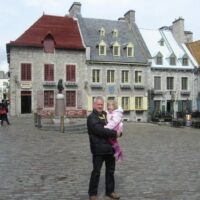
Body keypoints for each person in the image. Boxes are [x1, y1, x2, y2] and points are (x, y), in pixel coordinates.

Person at [87, 97, 121, 200]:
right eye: (98, 104)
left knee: (110, 171)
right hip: (98, 149)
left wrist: (120, 131)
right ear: (94, 105)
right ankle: (92, 194)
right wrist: (115, 133)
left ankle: (110, 191)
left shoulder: (106, 114)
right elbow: (100, 131)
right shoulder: (92, 117)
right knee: (96, 172)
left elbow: (115, 124)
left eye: (102, 104)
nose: (100, 106)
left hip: (110, 148)